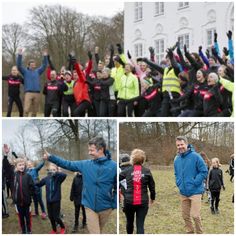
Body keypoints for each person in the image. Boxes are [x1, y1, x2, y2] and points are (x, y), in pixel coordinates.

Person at [43, 136, 117, 234]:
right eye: (88, 150)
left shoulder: (113, 166)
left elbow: (118, 186)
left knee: (99, 231)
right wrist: (51, 157)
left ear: (101, 149)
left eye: (92, 150)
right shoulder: (85, 164)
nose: (89, 153)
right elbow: (67, 164)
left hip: (106, 208)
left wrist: (113, 203)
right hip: (89, 206)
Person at [174, 136, 208, 234]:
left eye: (181, 144)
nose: (180, 147)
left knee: (195, 215)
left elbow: (204, 171)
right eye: (178, 145)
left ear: (186, 144)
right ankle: (190, 231)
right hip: (183, 192)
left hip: (195, 191)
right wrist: (179, 183)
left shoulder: (196, 156)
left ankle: (199, 232)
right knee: (185, 216)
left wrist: (195, 182)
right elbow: (176, 173)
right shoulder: (176, 159)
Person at [119, 149, 156, 234]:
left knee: (129, 222)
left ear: (132, 159)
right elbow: (152, 187)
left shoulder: (127, 171)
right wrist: (152, 198)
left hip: (129, 202)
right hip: (143, 202)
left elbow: (115, 178)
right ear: (143, 160)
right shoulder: (147, 171)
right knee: (140, 225)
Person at [36, 163, 67, 234]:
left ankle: (62, 227)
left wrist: (57, 173)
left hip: (56, 200)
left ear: (56, 170)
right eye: (51, 169)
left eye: (54, 169)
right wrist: (33, 181)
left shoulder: (58, 178)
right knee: (50, 216)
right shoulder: (46, 178)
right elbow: (39, 184)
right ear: (48, 170)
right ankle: (54, 230)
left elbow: (64, 175)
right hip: (48, 200)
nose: (52, 171)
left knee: (56, 217)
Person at [16, 48, 48, 117]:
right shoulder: (25, 72)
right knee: (26, 110)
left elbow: (44, 65)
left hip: (37, 93)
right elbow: (19, 66)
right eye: (32, 64)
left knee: (35, 111)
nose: (33, 65)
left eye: (34, 64)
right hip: (28, 93)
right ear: (29, 65)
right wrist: (20, 54)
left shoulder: (38, 71)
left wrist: (45, 56)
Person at [13, 158, 35, 234]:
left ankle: (29, 230)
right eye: (20, 165)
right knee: (21, 218)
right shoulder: (14, 176)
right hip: (18, 203)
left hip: (27, 202)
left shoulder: (28, 176)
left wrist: (30, 197)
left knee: (28, 218)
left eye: (23, 165)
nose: (22, 166)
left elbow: (32, 187)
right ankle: (23, 230)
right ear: (16, 166)